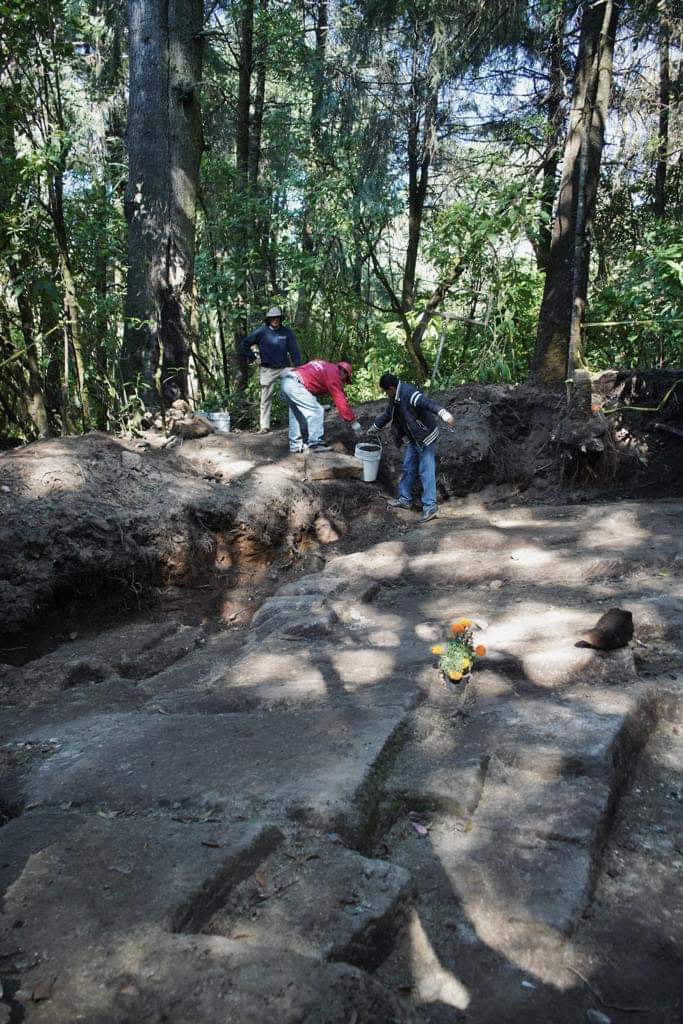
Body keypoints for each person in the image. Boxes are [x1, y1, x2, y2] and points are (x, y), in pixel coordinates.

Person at [367, 372, 454, 522]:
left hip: (426, 436)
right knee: (408, 467)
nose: (386, 394)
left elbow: (427, 403)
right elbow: (389, 414)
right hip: (414, 438)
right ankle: (405, 499)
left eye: (386, 391)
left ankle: (430, 506)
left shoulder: (409, 393)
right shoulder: (395, 398)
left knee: (426, 471)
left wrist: (443, 413)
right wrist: (375, 427)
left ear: (392, 388)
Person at [280, 359, 363, 453]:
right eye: (345, 379)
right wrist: (351, 420)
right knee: (317, 410)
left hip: (287, 381)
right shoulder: (334, 374)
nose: (343, 381)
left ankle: (295, 445)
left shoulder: (324, 366)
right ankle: (315, 444)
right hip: (295, 384)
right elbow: (340, 400)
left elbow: (311, 383)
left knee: (296, 415)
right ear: (343, 372)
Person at [241, 307, 301, 433]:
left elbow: (294, 350)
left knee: (297, 389)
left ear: (280, 319)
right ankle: (264, 426)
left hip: (284, 368)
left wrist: (299, 367)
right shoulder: (261, 332)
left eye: (277, 317)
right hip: (267, 369)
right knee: (265, 398)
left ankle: (300, 419)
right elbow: (244, 344)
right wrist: (254, 358)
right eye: (273, 318)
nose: (275, 320)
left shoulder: (286, 332)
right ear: (268, 319)